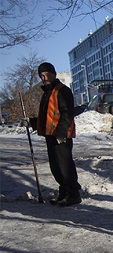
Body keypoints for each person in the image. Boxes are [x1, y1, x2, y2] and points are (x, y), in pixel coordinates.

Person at [30, 62, 82, 207]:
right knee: (56, 167)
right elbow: (48, 116)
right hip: (50, 135)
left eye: (46, 74)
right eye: (41, 75)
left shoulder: (62, 91)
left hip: (61, 135)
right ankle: (64, 192)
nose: (44, 78)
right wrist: (32, 122)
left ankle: (73, 194)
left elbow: (67, 113)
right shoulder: (47, 93)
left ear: (54, 74)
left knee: (65, 167)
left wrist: (62, 133)